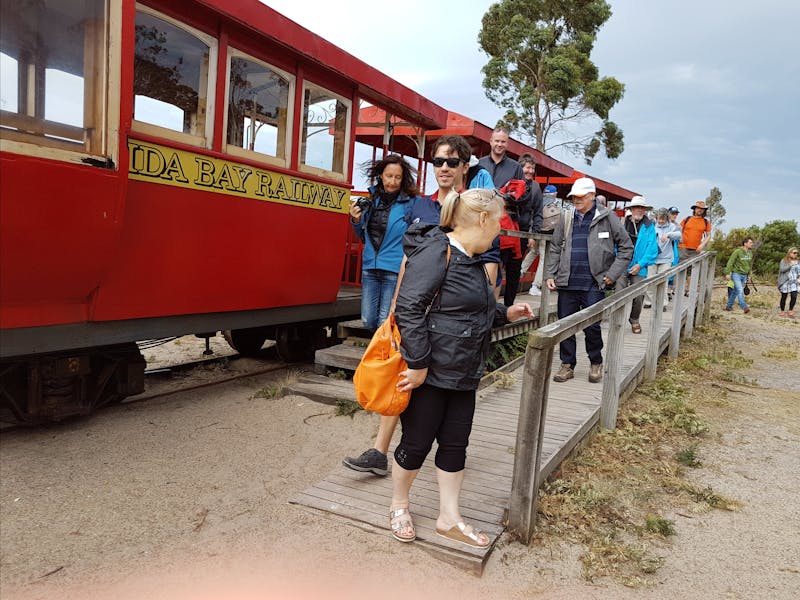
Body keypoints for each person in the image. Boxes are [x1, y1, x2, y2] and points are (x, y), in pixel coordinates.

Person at [342, 136, 498, 477]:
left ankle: (434, 456)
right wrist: (398, 303)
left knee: (434, 391)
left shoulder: (473, 208)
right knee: (402, 374)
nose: (444, 168)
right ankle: (380, 452)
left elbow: (487, 265)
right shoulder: (421, 207)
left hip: (449, 320)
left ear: (465, 167)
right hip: (415, 311)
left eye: (452, 162)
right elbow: (406, 257)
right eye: (438, 162)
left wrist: (488, 310)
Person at [388, 188, 533, 545]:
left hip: (464, 370)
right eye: (498, 221)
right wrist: (419, 364)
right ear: (483, 219)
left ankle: (449, 517)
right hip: (433, 372)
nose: (500, 229)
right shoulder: (438, 252)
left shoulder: (470, 257)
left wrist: (504, 313)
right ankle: (398, 504)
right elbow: (408, 309)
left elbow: (464, 310)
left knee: (455, 444)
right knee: (417, 443)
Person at [544, 177, 633, 383]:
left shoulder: (607, 217)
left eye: (581, 196)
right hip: (567, 281)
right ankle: (567, 364)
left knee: (592, 326)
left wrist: (612, 275)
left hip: (594, 282)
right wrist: (550, 274)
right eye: (574, 196)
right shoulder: (566, 218)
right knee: (565, 325)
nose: (576, 200)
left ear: (592, 196)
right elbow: (555, 247)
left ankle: (595, 361)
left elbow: (626, 248)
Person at [349, 155, 427, 332]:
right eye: (389, 176)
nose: (392, 181)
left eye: (397, 177)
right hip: (370, 268)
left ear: (403, 179)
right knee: (368, 321)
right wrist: (355, 220)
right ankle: (379, 353)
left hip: (394, 269)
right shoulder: (371, 200)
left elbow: (418, 235)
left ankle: (382, 357)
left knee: (385, 322)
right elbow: (362, 234)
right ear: (381, 176)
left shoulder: (412, 203)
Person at [624, 196, 658, 333]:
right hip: (622, 263)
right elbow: (615, 243)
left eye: (641, 208)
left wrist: (640, 264)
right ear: (631, 209)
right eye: (636, 207)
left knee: (639, 294)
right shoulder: (622, 223)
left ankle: (634, 320)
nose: (639, 210)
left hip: (639, 266)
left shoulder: (649, 227)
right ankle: (617, 321)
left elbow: (652, 249)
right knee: (618, 292)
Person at [520, 183, 557, 294]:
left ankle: (521, 270)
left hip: (536, 233)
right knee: (543, 259)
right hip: (547, 235)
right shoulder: (554, 205)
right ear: (555, 194)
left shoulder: (539, 201)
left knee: (533, 252)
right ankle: (535, 286)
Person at [652, 207, 682, 311]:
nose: (660, 221)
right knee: (649, 280)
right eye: (659, 219)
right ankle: (648, 301)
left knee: (663, 282)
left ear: (667, 219)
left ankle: (663, 303)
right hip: (653, 258)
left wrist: (668, 235)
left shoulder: (672, 226)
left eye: (663, 219)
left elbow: (679, 235)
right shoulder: (652, 225)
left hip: (666, 258)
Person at [724, 237, 755, 314]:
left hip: (744, 275)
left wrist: (749, 275)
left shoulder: (750, 253)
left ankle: (729, 306)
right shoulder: (737, 252)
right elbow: (730, 262)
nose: (752, 244)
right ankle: (744, 307)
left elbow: (749, 265)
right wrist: (727, 273)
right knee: (740, 290)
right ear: (745, 243)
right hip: (736, 274)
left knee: (735, 291)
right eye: (750, 242)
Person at [777, 247, 799, 318]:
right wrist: (790, 265)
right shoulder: (784, 260)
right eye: (794, 253)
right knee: (784, 296)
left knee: (794, 296)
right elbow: (782, 269)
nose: (796, 254)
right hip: (785, 282)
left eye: (797, 253)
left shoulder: (798, 261)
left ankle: (790, 310)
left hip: (794, 281)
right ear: (789, 253)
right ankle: (782, 311)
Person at [667, 206, 681, 298]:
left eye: (676, 214)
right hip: (663, 249)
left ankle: (669, 291)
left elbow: (680, 239)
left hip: (673, 247)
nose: (674, 215)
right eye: (672, 213)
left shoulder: (678, 226)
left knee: (672, 267)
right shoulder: (663, 223)